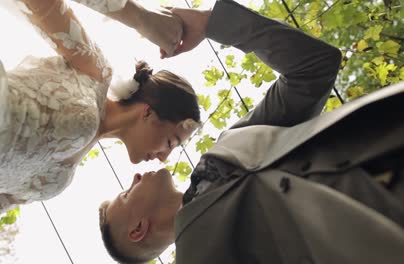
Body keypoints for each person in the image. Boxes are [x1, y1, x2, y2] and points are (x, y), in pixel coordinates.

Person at [99, 0, 404, 263]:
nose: (135, 175)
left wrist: (211, 24)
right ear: (138, 229)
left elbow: (314, 68)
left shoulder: (232, 144)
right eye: (125, 194)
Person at [0, 0, 201, 262]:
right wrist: (142, 18)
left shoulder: (58, 181)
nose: (164, 157)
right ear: (149, 112)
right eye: (171, 141)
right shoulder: (96, 72)